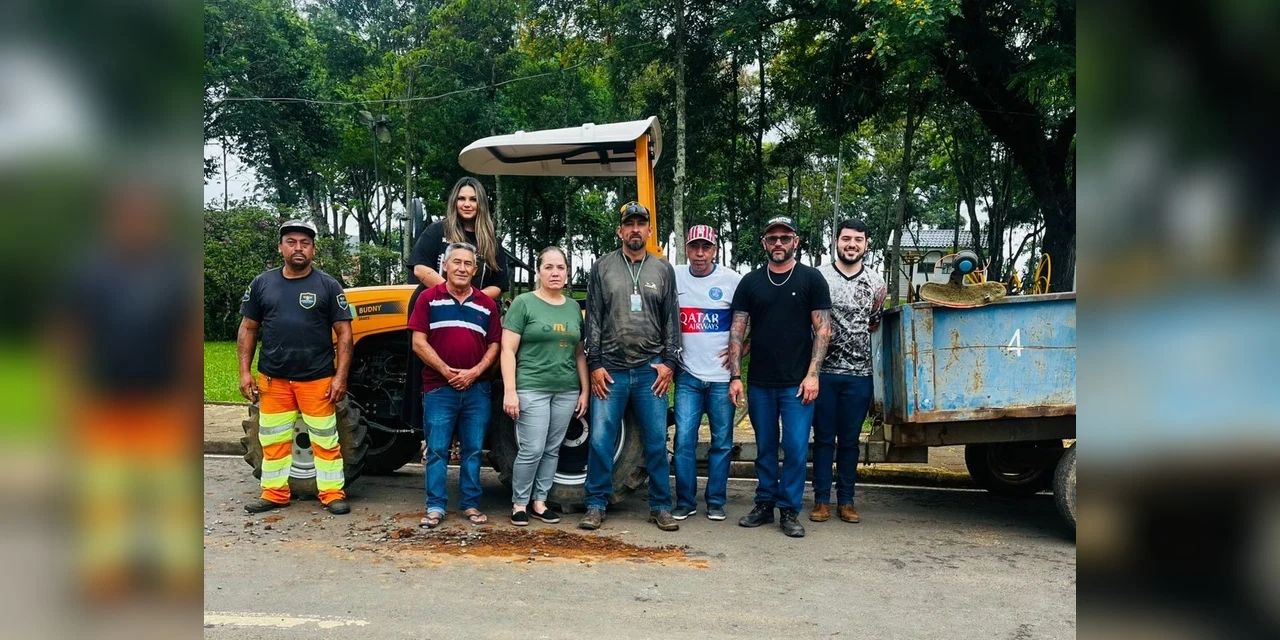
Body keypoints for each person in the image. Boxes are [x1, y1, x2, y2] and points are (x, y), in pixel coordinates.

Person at [238, 219, 354, 515]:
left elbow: (344, 334)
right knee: (273, 440)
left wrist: (340, 376)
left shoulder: (328, 286)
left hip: (317, 379)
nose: (298, 248)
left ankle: (331, 493)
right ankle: (274, 492)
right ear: (281, 248)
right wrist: (244, 371)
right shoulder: (262, 284)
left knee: (326, 440)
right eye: (291, 242)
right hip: (273, 379)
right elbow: (248, 328)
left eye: (305, 243)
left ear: (313, 250)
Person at [580, 202, 682, 532]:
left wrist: (669, 363)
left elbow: (672, 319)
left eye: (642, 223)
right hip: (610, 369)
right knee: (600, 440)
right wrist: (594, 363)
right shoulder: (602, 267)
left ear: (650, 230)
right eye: (629, 224)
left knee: (655, 440)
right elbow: (592, 318)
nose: (635, 229)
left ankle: (660, 506)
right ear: (620, 230)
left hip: (651, 370)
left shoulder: (663, 269)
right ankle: (595, 504)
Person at [728, 215, 832, 538]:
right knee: (766, 447)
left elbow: (823, 330)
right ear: (764, 243)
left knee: (797, 447)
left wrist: (813, 374)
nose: (778, 244)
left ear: (795, 242)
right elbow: (737, 330)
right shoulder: (750, 283)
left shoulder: (811, 280)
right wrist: (735, 376)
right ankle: (764, 503)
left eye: (784, 238)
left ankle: (789, 510)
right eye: (772, 238)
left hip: (798, 384)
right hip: (760, 382)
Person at [404, 177, 510, 450]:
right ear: (454, 202)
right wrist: (451, 293)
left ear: (481, 204)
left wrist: (474, 300)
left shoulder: (490, 240)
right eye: (462, 198)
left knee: (477, 368)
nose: (467, 204)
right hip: (433, 309)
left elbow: (500, 283)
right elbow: (419, 267)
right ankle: (430, 435)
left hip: (476, 315)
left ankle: (466, 435)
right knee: (429, 366)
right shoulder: (437, 231)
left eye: (473, 199)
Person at [408, 242, 502, 528]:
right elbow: (418, 342)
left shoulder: (486, 304)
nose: (462, 268)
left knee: (473, 450)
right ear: (445, 266)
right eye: (456, 262)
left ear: (475, 270)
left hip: (477, 389)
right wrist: (446, 371)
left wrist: (474, 372)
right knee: (437, 450)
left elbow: (495, 345)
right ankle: (435, 506)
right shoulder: (428, 299)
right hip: (439, 387)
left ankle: (471, 504)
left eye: (468, 264)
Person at [500, 246, 589, 526]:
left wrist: (584, 390)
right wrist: (510, 391)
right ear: (538, 272)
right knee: (532, 448)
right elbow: (507, 351)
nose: (554, 273)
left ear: (566, 273)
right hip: (531, 388)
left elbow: (579, 354)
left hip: (566, 389)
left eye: (560, 267)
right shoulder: (524, 303)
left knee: (553, 448)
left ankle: (540, 501)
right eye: (548, 267)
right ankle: (519, 503)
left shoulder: (574, 307)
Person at [811, 219, 887, 524]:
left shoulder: (877, 282)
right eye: (846, 239)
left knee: (850, 440)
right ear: (836, 242)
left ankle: (846, 500)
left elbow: (874, 322)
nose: (851, 244)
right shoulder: (819, 277)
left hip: (859, 373)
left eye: (858, 239)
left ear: (866, 244)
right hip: (824, 372)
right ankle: (820, 500)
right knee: (824, 438)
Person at [671, 225, 741, 521]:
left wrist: (743, 350)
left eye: (706, 248)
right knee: (683, 440)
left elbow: (752, 319)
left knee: (721, 442)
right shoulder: (673, 275)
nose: (700, 254)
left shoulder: (732, 280)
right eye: (694, 247)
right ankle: (686, 501)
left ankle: (715, 501)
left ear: (715, 249)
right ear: (686, 248)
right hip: (687, 376)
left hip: (721, 377)